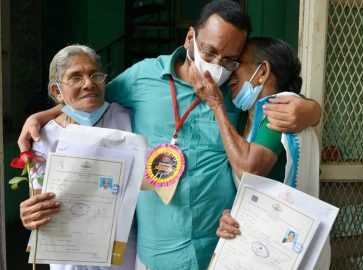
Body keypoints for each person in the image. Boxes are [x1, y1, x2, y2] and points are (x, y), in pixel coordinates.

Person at [17, 1, 322, 269]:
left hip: (222, 250)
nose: (217, 65)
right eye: (209, 51)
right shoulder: (143, 77)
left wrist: (312, 110)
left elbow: (279, 99)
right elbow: (90, 98)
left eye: (229, 59)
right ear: (190, 38)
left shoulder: (235, 89)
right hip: (157, 254)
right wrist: (42, 115)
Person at [191, 37, 329, 269]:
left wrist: (216, 105)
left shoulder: (279, 109)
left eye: (237, 65)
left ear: (262, 71)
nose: (230, 75)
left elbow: (249, 168)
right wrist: (233, 215)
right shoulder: (250, 118)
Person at [19, 44, 136, 270]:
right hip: (69, 255)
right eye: (76, 77)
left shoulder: (126, 117)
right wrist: (30, 215)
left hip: (121, 251)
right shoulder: (43, 136)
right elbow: (38, 202)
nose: (89, 83)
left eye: (95, 75)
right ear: (57, 91)